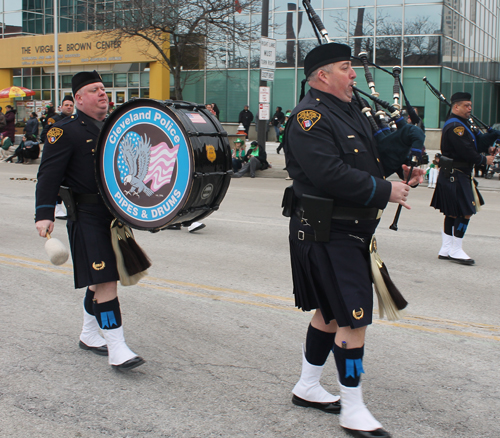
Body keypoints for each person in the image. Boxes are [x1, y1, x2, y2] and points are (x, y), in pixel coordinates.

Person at [283, 43, 424, 438]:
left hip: (351, 230)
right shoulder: (308, 117)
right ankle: (353, 405)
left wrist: (399, 169)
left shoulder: (346, 110)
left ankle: (308, 386)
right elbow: (328, 172)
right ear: (323, 76)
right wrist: (385, 191)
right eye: (346, 68)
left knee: (329, 313)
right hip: (329, 231)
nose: (354, 75)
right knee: (354, 319)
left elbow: (369, 156)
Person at [35, 70, 145, 371]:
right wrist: (44, 214)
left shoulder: (113, 128)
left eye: (103, 88)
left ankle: (88, 333)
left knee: (98, 281)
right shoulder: (64, 131)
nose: (102, 93)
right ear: (78, 98)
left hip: (112, 217)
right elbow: (48, 175)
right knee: (106, 279)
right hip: (85, 216)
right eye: (94, 89)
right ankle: (117, 346)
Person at [430, 92, 494, 265]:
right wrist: (483, 160)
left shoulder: (464, 124)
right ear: (456, 107)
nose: (470, 109)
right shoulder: (456, 127)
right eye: (466, 105)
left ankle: (446, 248)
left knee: (452, 212)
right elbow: (466, 151)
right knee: (465, 211)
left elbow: (477, 142)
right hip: (456, 174)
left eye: (470, 106)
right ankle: (455, 249)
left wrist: (491, 141)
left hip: (455, 174)